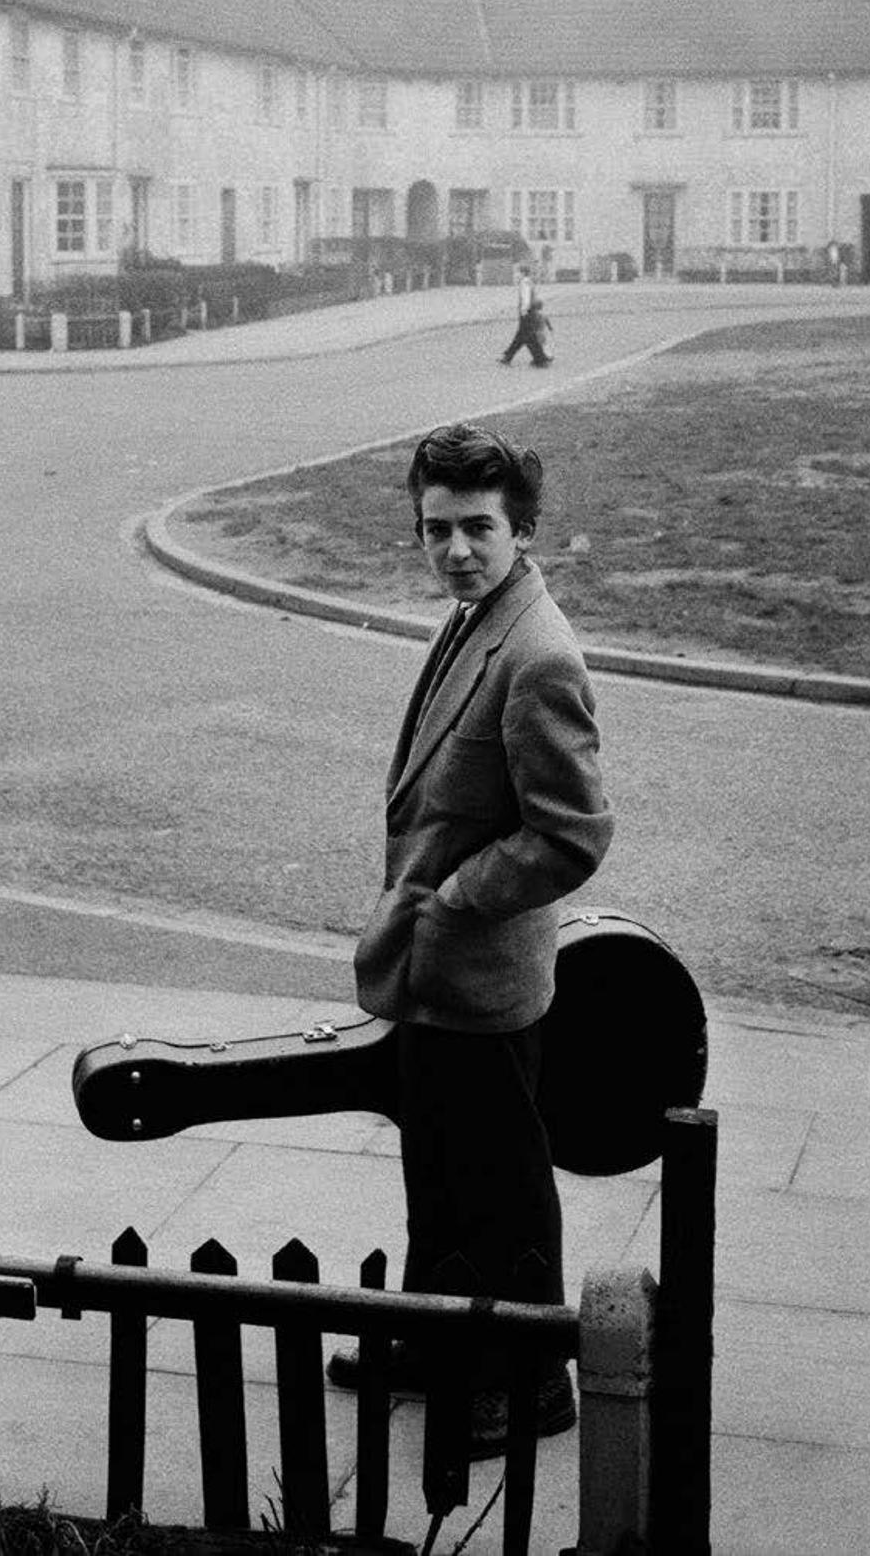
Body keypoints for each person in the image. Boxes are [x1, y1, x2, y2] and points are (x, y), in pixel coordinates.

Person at [327, 421, 613, 1459]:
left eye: (479, 528)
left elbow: (574, 835)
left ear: (521, 528)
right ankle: (431, 1341)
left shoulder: (537, 652)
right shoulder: (474, 617)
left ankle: (527, 1383)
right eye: (438, 528)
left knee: (500, 1186)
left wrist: (456, 894)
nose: (456, 549)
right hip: (436, 970)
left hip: (482, 974)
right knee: (438, 1171)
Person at [497, 262, 537, 364]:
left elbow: (526, 298)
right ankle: (508, 356)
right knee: (525, 337)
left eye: (517, 272)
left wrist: (524, 310)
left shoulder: (525, 282)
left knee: (525, 336)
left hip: (526, 312)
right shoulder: (527, 281)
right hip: (527, 312)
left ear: (523, 273)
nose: (516, 274)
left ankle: (540, 358)